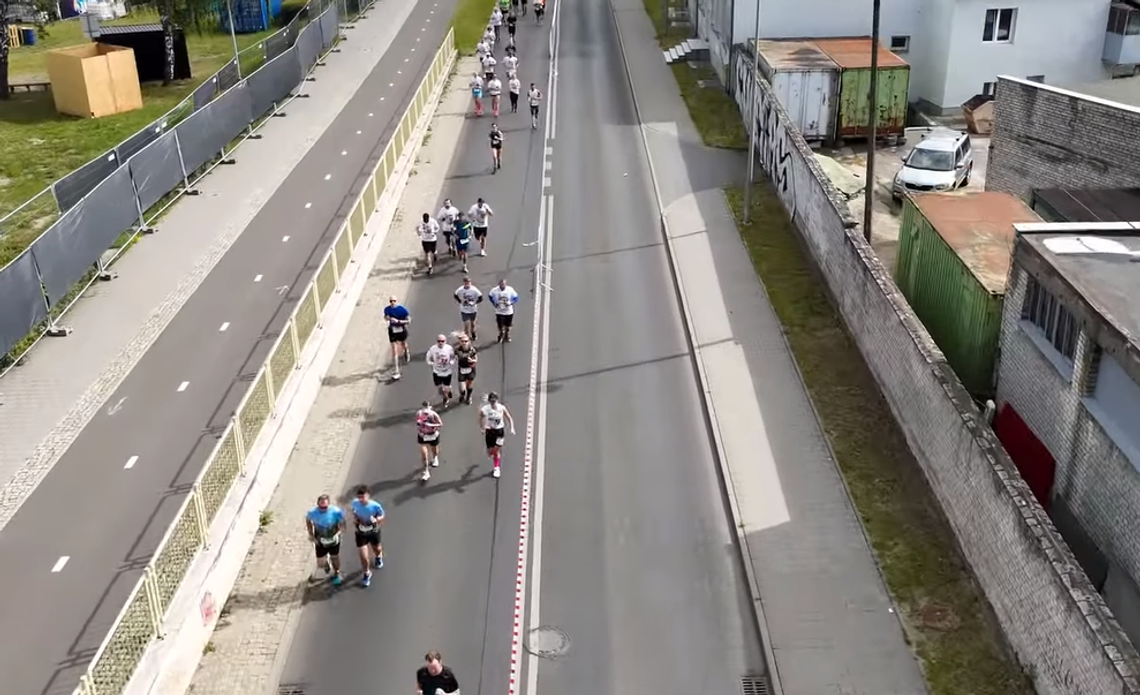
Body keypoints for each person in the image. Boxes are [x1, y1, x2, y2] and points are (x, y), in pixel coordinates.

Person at [305, 494, 346, 585]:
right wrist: (311, 534)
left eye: (325, 507)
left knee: (335, 557)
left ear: (329, 504)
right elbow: (308, 521)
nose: (323, 509)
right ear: (317, 504)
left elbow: (343, 524)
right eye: (321, 507)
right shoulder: (312, 513)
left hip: (333, 539)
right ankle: (326, 565)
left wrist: (338, 534)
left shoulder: (336, 511)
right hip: (320, 540)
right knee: (320, 562)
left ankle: (337, 572)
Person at [350, 485, 385, 586]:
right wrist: (356, 518)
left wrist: (377, 520)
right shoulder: (355, 503)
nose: (361, 499)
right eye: (359, 497)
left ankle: (378, 556)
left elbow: (382, 515)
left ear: (368, 496)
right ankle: (366, 573)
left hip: (373, 531)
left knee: (377, 549)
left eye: (363, 497)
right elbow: (354, 511)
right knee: (363, 556)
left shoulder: (375, 506)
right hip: (361, 532)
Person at [478, 392, 515, 479]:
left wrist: (512, 428)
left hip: (499, 431)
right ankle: (492, 454)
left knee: (496, 451)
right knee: (490, 452)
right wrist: (482, 428)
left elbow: (509, 417)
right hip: (490, 431)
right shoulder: (485, 409)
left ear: (497, 400)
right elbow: (480, 418)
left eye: (494, 401)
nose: (493, 403)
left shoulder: (501, 408)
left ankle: (496, 468)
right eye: (491, 401)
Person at [384, 296, 411, 380]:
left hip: (401, 330)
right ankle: (396, 370)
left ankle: (406, 351)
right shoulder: (387, 309)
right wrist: (387, 318)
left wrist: (399, 321)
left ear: (396, 301)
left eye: (394, 301)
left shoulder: (402, 310)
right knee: (394, 350)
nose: (392, 302)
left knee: (403, 344)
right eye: (391, 301)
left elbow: (409, 321)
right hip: (392, 331)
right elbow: (385, 317)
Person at [415, 401, 443, 481]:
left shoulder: (433, 414)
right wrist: (420, 430)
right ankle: (426, 472)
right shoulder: (419, 413)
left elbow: (440, 424)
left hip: (433, 435)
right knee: (424, 454)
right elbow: (417, 423)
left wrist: (431, 425)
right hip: (423, 436)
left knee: (434, 449)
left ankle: (435, 457)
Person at [425, 333, 456, 406]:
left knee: (446, 388)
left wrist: (452, 362)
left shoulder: (449, 348)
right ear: (436, 341)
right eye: (439, 341)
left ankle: (448, 393)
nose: (440, 343)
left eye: (442, 341)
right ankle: (445, 397)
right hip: (437, 372)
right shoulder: (433, 348)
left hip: (447, 372)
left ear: (445, 341)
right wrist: (431, 363)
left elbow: (453, 356)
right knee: (440, 390)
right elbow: (428, 357)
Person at [488, 278, 520, 343]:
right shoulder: (494, 290)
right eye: (501, 284)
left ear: (506, 284)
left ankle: (507, 335)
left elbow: (516, 298)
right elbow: (490, 296)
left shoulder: (510, 290)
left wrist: (510, 302)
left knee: (508, 326)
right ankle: (501, 334)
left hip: (508, 311)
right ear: (499, 284)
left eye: (504, 284)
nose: (502, 286)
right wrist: (494, 303)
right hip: (499, 311)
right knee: (500, 326)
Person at [454, 334, 478, 405]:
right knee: (462, 388)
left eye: (466, 341)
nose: (464, 343)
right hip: (462, 369)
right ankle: (462, 394)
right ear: (460, 342)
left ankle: (469, 396)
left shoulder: (472, 350)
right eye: (462, 341)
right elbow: (452, 356)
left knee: (469, 384)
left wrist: (472, 361)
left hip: (470, 369)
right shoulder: (457, 350)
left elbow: (476, 359)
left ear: (469, 342)